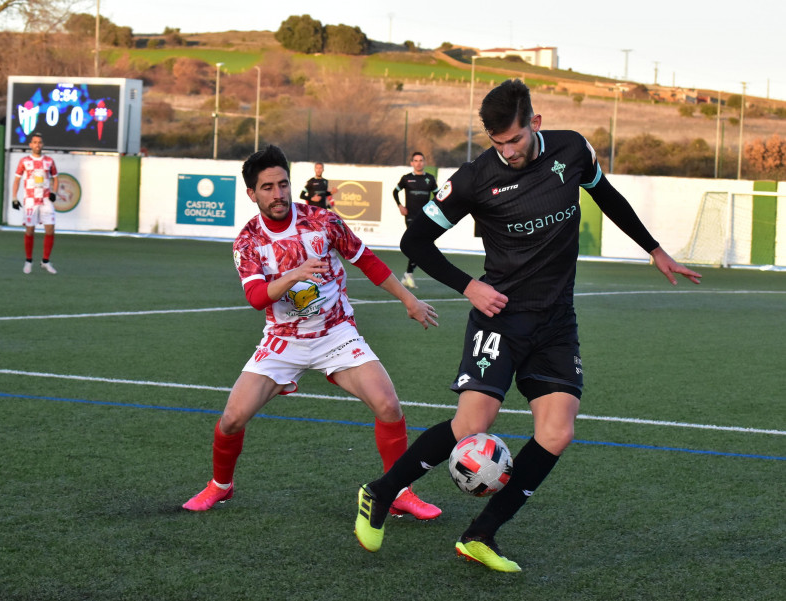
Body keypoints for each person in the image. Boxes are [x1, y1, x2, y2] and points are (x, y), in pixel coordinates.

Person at [354, 79, 702, 572]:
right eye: (497, 143)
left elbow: (607, 195)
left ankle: (480, 534)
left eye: (514, 140)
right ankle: (382, 492)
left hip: (557, 320)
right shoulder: (475, 178)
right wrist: (468, 286)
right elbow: (416, 241)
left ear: (534, 123)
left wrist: (655, 250)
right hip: (500, 317)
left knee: (557, 432)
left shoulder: (572, 148)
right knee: (473, 424)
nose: (508, 151)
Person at [182, 144, 442, 521]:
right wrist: (294, 274)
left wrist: (408, 299)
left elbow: (365, 260)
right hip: (282, 341)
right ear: (251, 193)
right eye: (268, 187)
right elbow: (256, 297)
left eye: (283, 184)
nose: (278, 193)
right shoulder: (248, 241)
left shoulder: (323, 220)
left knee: (388, 405)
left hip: (336, 334)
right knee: (232, 419)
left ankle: (399, 491)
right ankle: (221, 486)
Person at [11, 132, 59, 274]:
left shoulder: (49, 161)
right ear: (30, 145)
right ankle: (28, 260)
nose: (37, 145)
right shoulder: (24, 161)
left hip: (45, 200)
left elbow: (56, 178)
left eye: (40, 142)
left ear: (42, 145)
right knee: (30, 231)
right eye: (35, 142)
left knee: (50, 230)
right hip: (30, 200)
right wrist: (14, 197)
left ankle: (45, 261)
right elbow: (17, 180)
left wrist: (54, 193)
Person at [392, 152, 438, 288]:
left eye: (421, 160)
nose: (418, 163)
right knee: (417, 243)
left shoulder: (430, 179)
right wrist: (400, 206)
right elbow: (395, 191)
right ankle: (408, 274)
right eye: (415, 160)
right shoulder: (406, 179)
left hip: (425, 216)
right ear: (412, 163)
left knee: (422, 244)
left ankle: (408, 274)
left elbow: (438, 196)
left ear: (424, 162)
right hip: (411, 216)